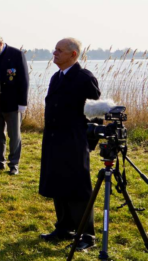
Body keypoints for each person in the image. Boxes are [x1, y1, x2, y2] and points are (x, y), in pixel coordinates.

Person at [39, 37, 100, 251]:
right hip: (54, 140)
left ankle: (87, 235)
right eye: (54, 49)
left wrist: (88, 144)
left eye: (59, 50)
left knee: (77, 188)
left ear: (73, 54)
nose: (54, 53)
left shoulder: (84, 78)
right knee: (58, 183)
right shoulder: (56, 77)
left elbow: (96, 114)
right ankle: (64, 228)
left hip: (74, 141)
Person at [0, 34, 29, 175]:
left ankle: (14, 164)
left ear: (1, 43)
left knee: (14, 135)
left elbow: (24, 79)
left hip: (13, 102)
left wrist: (23, 102)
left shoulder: (16, 54)